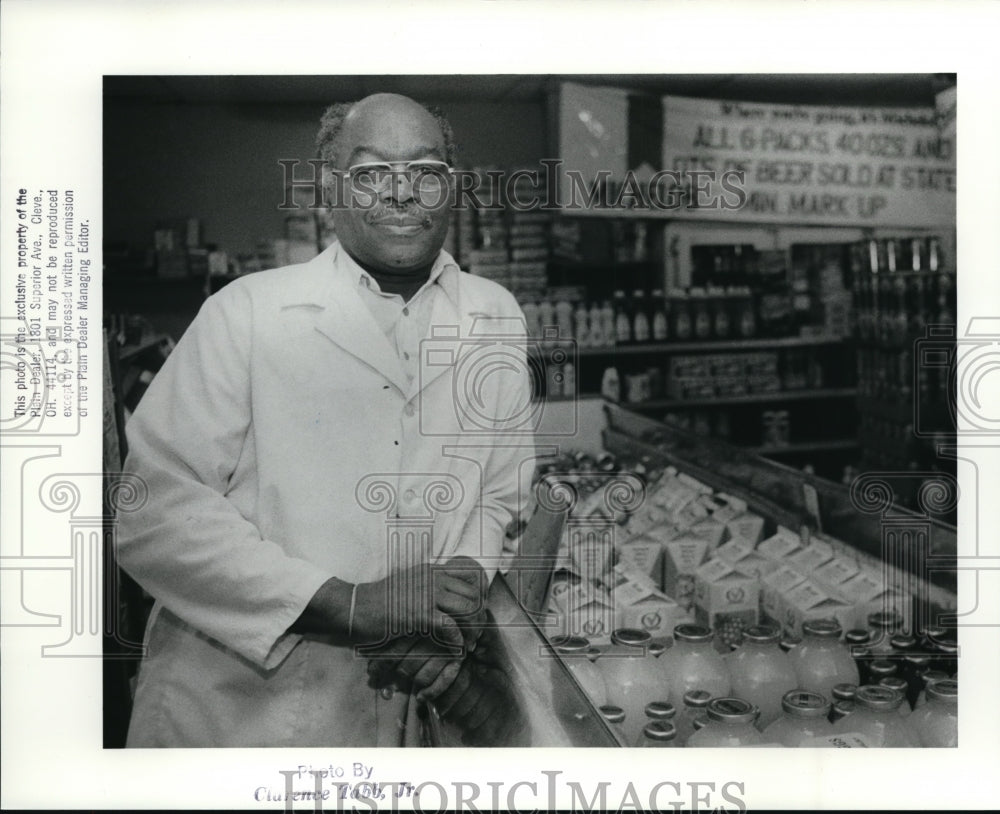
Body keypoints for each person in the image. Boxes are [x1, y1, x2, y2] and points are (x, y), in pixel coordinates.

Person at [116, 93, 534, 747]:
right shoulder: (246, 312)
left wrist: (457, 591)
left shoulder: (495, 313)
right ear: (329, 190)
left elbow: (503, 488)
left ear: (452, 190)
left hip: (410, 702)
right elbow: (153, 515)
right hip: (242, 717)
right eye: (370, 173)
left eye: (425, 170)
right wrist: (355, 605)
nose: (401, 194)